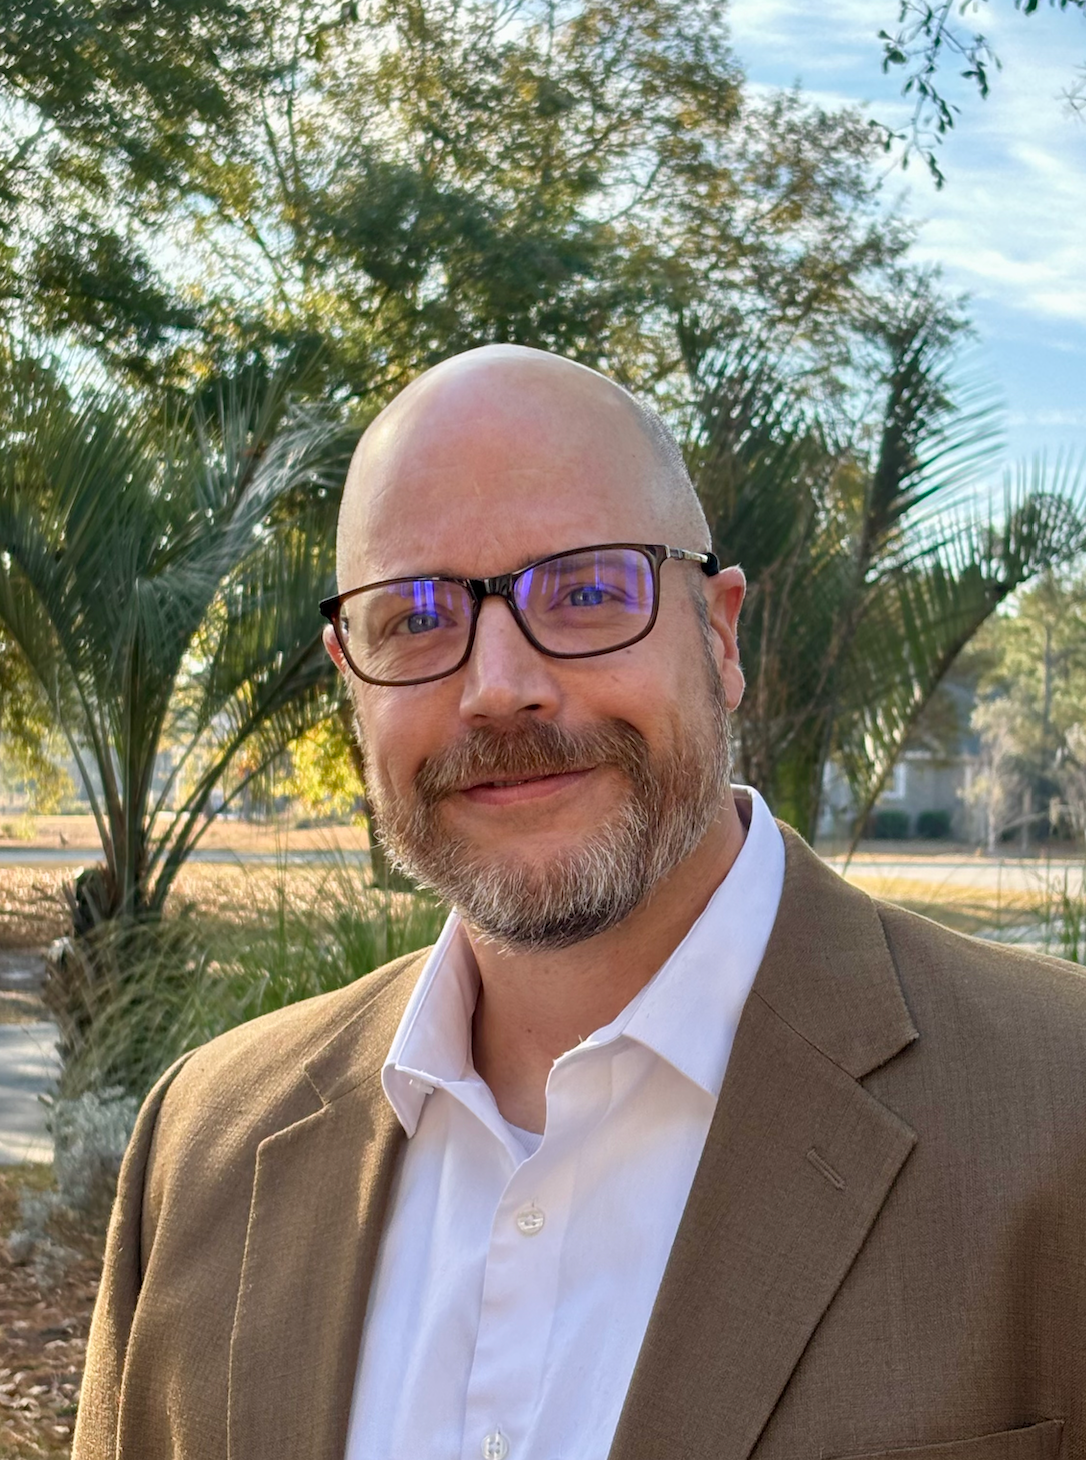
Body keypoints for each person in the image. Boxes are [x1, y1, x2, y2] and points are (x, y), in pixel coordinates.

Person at [74, 346, 1086, 1460]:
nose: (498, 683)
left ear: (720, 634)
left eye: (589, 590)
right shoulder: (204, 1144)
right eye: (414, 616)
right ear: (350, 679)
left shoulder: (1057, 1106)